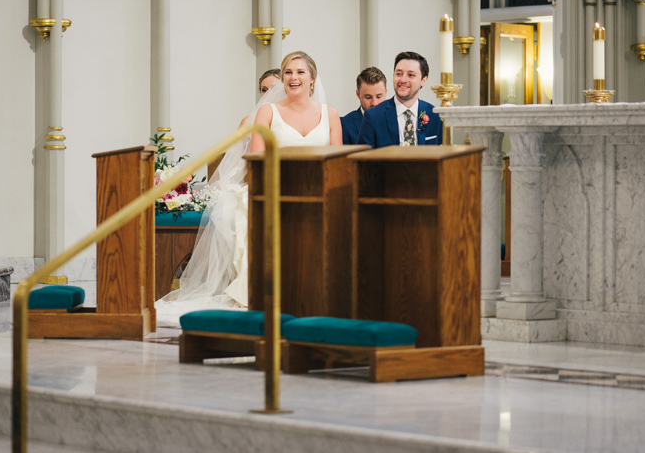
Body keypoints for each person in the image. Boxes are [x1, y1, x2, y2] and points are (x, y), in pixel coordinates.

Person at [156, 52, 338, 324]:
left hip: (319, 195)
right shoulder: (268, 112)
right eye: (288, 72)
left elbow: (336, 163)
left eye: (300, 72)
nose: (293, 77)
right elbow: (256, 162)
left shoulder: (330, 114)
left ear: (312, 78)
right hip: (274, 192)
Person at [356, 51, 443, 148]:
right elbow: (363, 160)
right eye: (399, 74)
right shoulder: (373, 116)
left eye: (411, 75)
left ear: (423, 80)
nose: (403, 80)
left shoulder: (435, 116)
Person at [340, 67, 387, 144]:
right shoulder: (345, 124)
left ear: (386, 92)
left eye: (379, 97)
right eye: (368, 97)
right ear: (358, 94)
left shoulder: (395, 118)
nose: (374, 103)